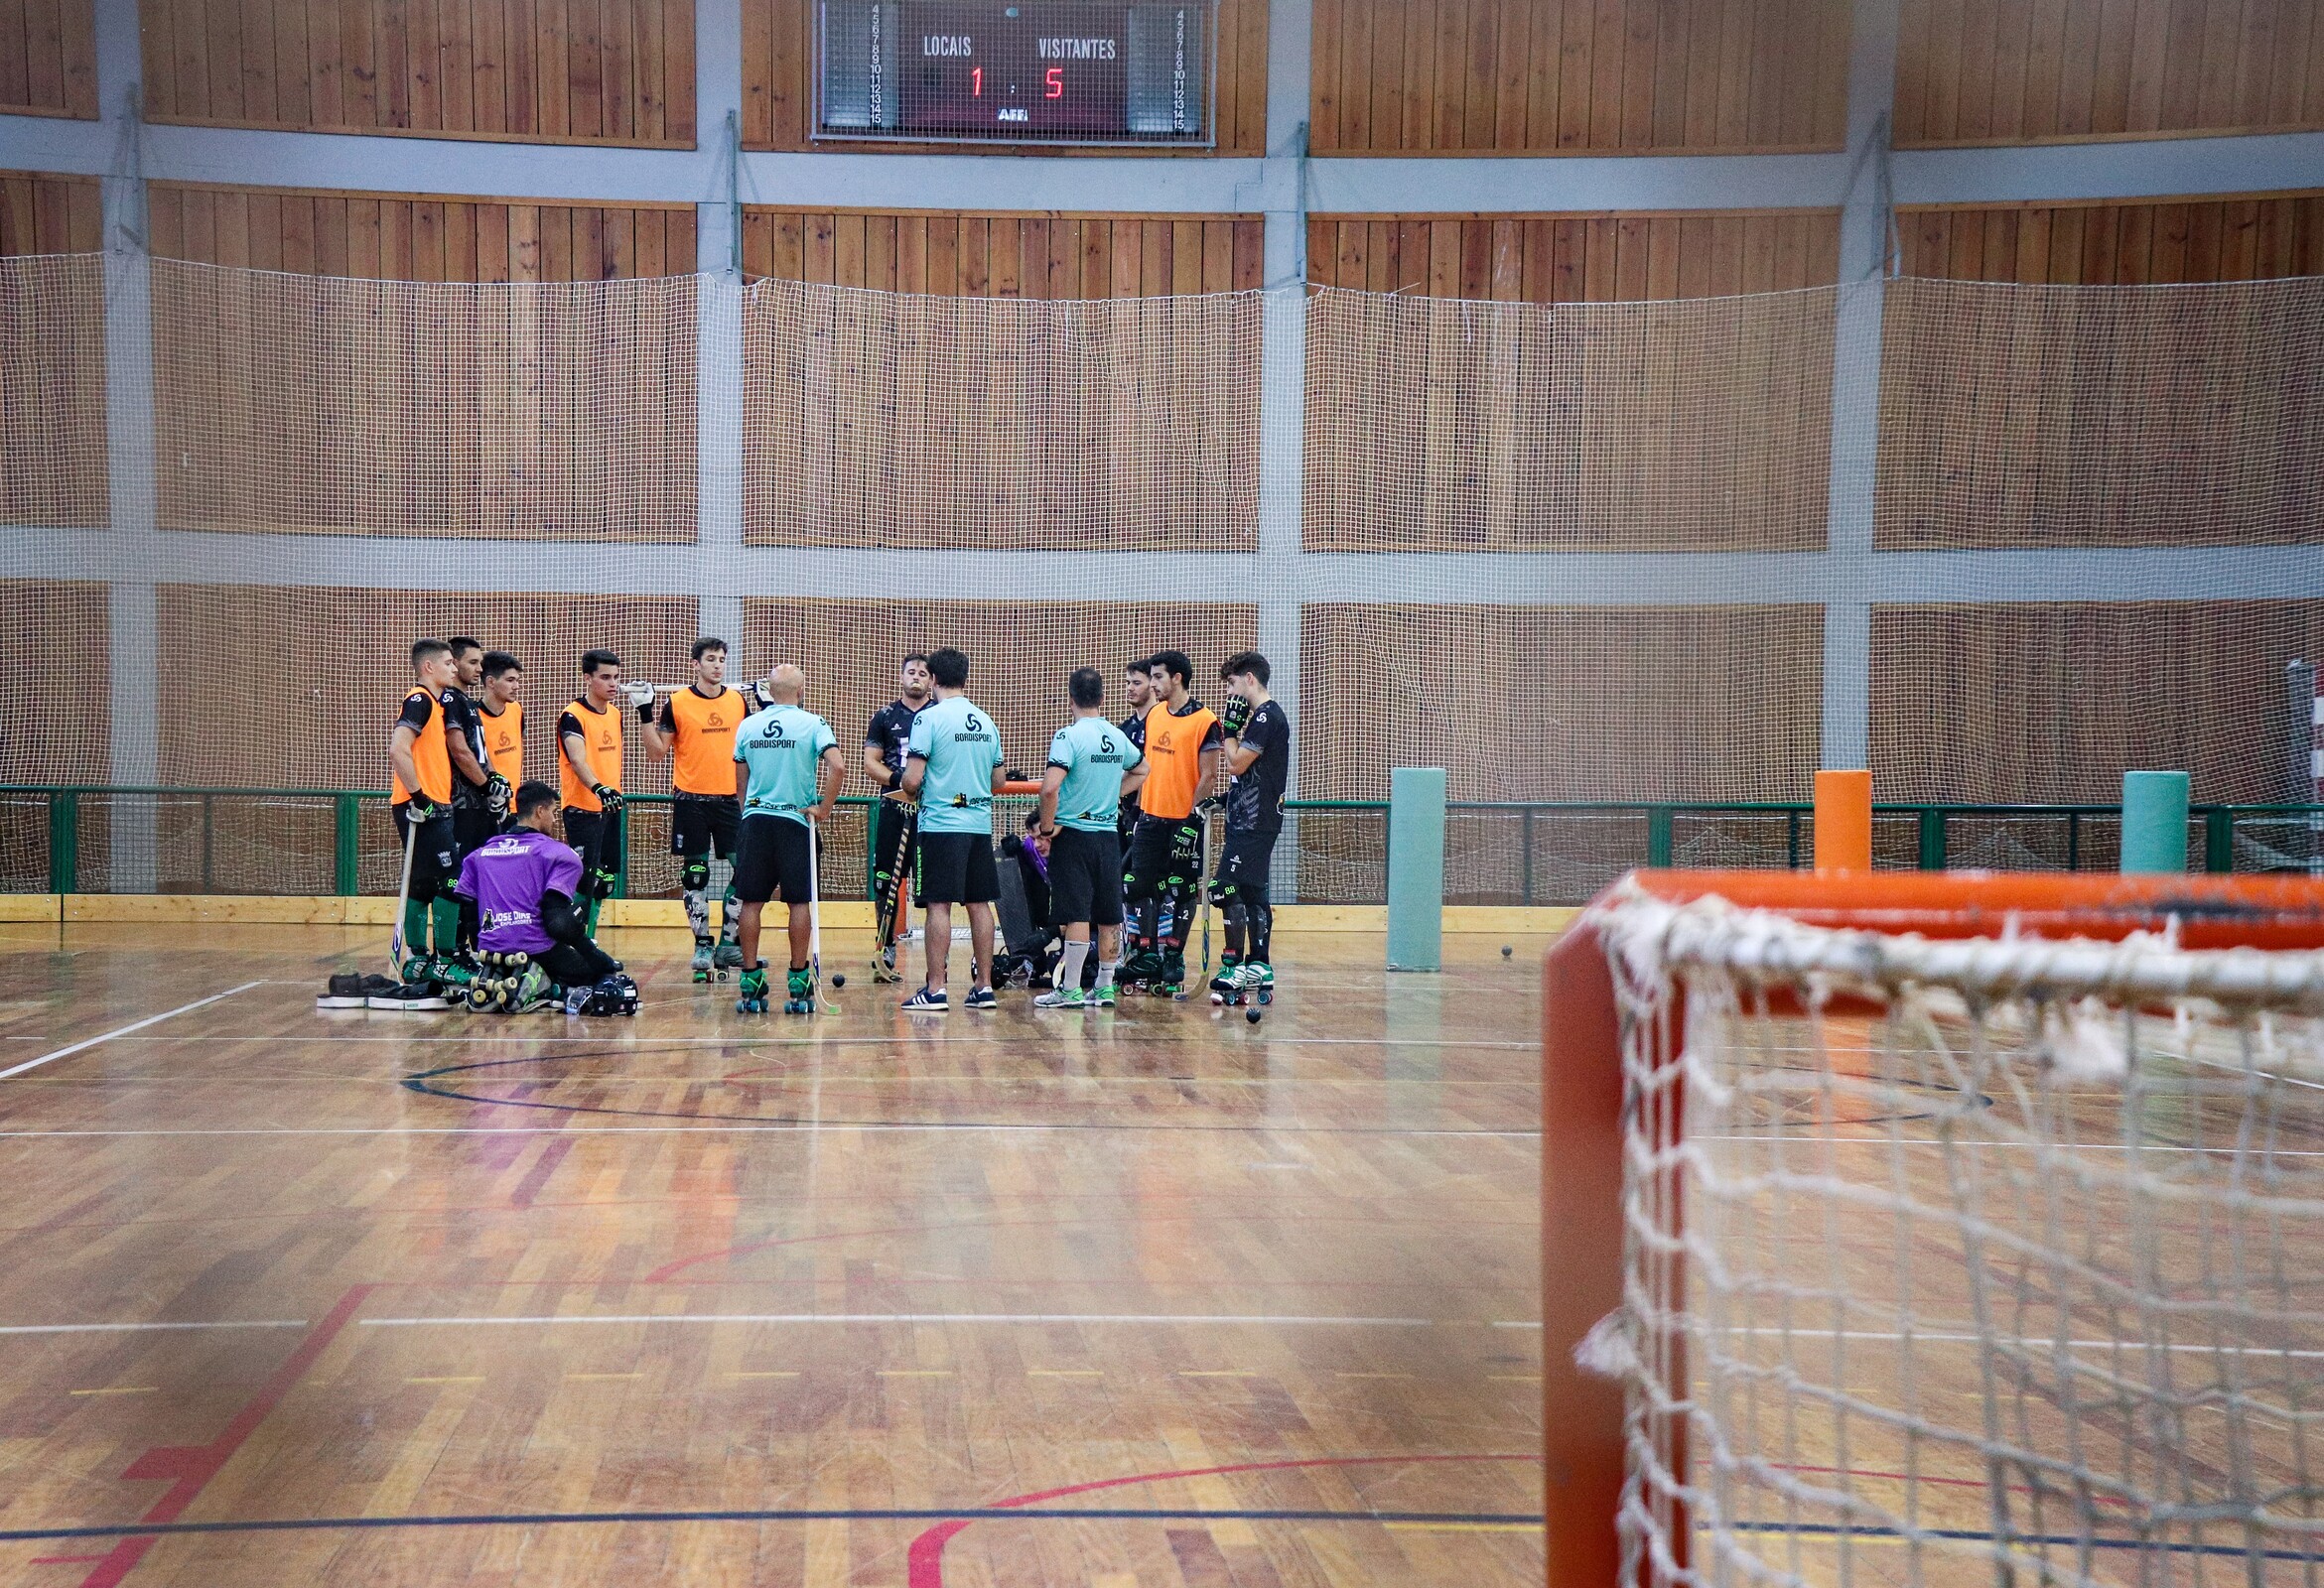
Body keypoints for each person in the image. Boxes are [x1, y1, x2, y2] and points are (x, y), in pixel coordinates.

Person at [454, 780, 629, 1013]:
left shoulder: (480, 854)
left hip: (490, 949)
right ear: (540, 811)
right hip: (536, 947)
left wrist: (483, 945)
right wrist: (598, 958)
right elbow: (559, 924)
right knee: (602, 974)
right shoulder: (557, 854)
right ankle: (539, 981)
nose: (555, 820)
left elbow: (467, 906)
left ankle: (502, 973)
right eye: (554, 812)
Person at [730, 664, 847, 1014]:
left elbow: (739, 775)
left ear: (768, 691)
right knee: (799, 903)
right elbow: (838, 766)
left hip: (756, 820)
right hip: (796, 821)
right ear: (800, 692)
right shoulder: (813, 723)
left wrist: (748, 809)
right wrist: (824, 808)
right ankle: (798, 980)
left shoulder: (748, 725)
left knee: (750, 902)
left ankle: (750, 981)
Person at [898, 646, 1007, 1011]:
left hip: (941, 825)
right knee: (979, 904)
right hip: (978, 825)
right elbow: (999, 780)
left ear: (932, 679)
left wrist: (917, 785)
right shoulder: (985, 719)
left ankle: (935, 989)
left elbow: (912, 781)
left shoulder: (928, 720)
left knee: (938, 904)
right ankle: (984, 987)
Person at [640, 637, 753, 982]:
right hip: (690, 800)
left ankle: (728, 944)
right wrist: (644, 710)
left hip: (730, 801)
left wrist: (767, 706)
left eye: (722, 659)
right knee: (696, 875)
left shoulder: (737, 701)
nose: (718, 665)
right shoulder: (677, 702)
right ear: (696, 664)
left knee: (746, 872)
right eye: (711, 659)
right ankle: (702, 944)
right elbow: (658, 752)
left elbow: (750, 746)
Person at [1034, 666, 1148, 1010]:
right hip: (1107, 837)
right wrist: (1114, 794)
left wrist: (1048, 827)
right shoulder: (1115, 735)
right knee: (1110, 914)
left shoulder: (1068, 737)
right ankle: (1105, 987)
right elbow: (1143, 769)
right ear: (1102, 698)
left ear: (1071, 698)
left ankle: (1069, 990)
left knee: (1077, 914)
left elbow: (1050, 787)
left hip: (1075, 836)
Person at [1123, 649, 1220, 995]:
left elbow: (1208, 776)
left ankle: (1174, 955)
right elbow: (1146, 767)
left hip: (1184, 820)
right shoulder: (1154, 716)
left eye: (1158, 677)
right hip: (1150, 816)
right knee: (1141, 885)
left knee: (1181, 890)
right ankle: (1147, 952)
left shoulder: (1205, 720)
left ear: (1177, 678)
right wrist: (1136, 808)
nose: (1153, 684)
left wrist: (1193, 819)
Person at [378, 638, 463, 1006]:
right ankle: (443, 960)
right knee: (452, 880)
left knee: (424, 883)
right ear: (428, 667)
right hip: (422, 806)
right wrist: (419, 796)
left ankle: (417, 962)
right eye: (448, 663)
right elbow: (398, 747)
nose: (454, 668)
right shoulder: (420, 700)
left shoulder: (437, 706)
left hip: (433, 803)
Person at [1208, 650, 1292, 1002]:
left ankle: (1234, 964)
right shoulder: (1261, 717)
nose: (1229, 693)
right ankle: (1258, 964)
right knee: (1253, 892)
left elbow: (1238, 764)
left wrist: (1228, 731)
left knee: (1225, 887)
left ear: (1250, 680)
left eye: (1232, 683)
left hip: (1255, 822)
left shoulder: (1265, 717)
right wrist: (1225, 801)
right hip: (1248, 817)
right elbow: (1252, 778)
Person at [863, 653, 934, 984]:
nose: (916, 677)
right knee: (884, 881)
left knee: (933, 886)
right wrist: (898, 782)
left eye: (923, 673)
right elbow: (870, 761)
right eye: (911, 672)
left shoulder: (939, 716)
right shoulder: (885, 715)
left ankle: (938, 956)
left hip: (931, 813)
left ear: (931, 681)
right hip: (894, 809)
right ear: (901, 677)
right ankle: (885, 946)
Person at [442, 637, 504, 966]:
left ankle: (477, 946)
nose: (479, 668)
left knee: (481, 877)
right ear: (453, 663)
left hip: (480, 804)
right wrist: (485, 785)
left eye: (481, 663)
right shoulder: (450, 698)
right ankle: (454, 950)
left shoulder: (467, 702)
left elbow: (481, 752)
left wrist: (495, 781)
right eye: (472, 662)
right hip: (462, 805)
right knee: (461, 878)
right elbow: (459, 750)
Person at [558, 649, 628, 936]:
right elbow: (578, 760)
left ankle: (589, 939)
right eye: (605, 677)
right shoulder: (573, 716)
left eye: (616, 677)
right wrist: (599, 788)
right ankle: (571, 940)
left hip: (610, 809)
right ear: (588, 678)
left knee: (604, 882)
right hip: (582, 808)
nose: (613, 684)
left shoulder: (614, 713)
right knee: (587, 880)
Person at [478, 651, 524, 827]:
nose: (516, 686)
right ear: (490, 682)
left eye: (517, 680)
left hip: (513, 806)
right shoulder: (474, 716)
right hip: (487, 806)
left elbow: (519, 747)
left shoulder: (516, 709)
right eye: (510, 680)